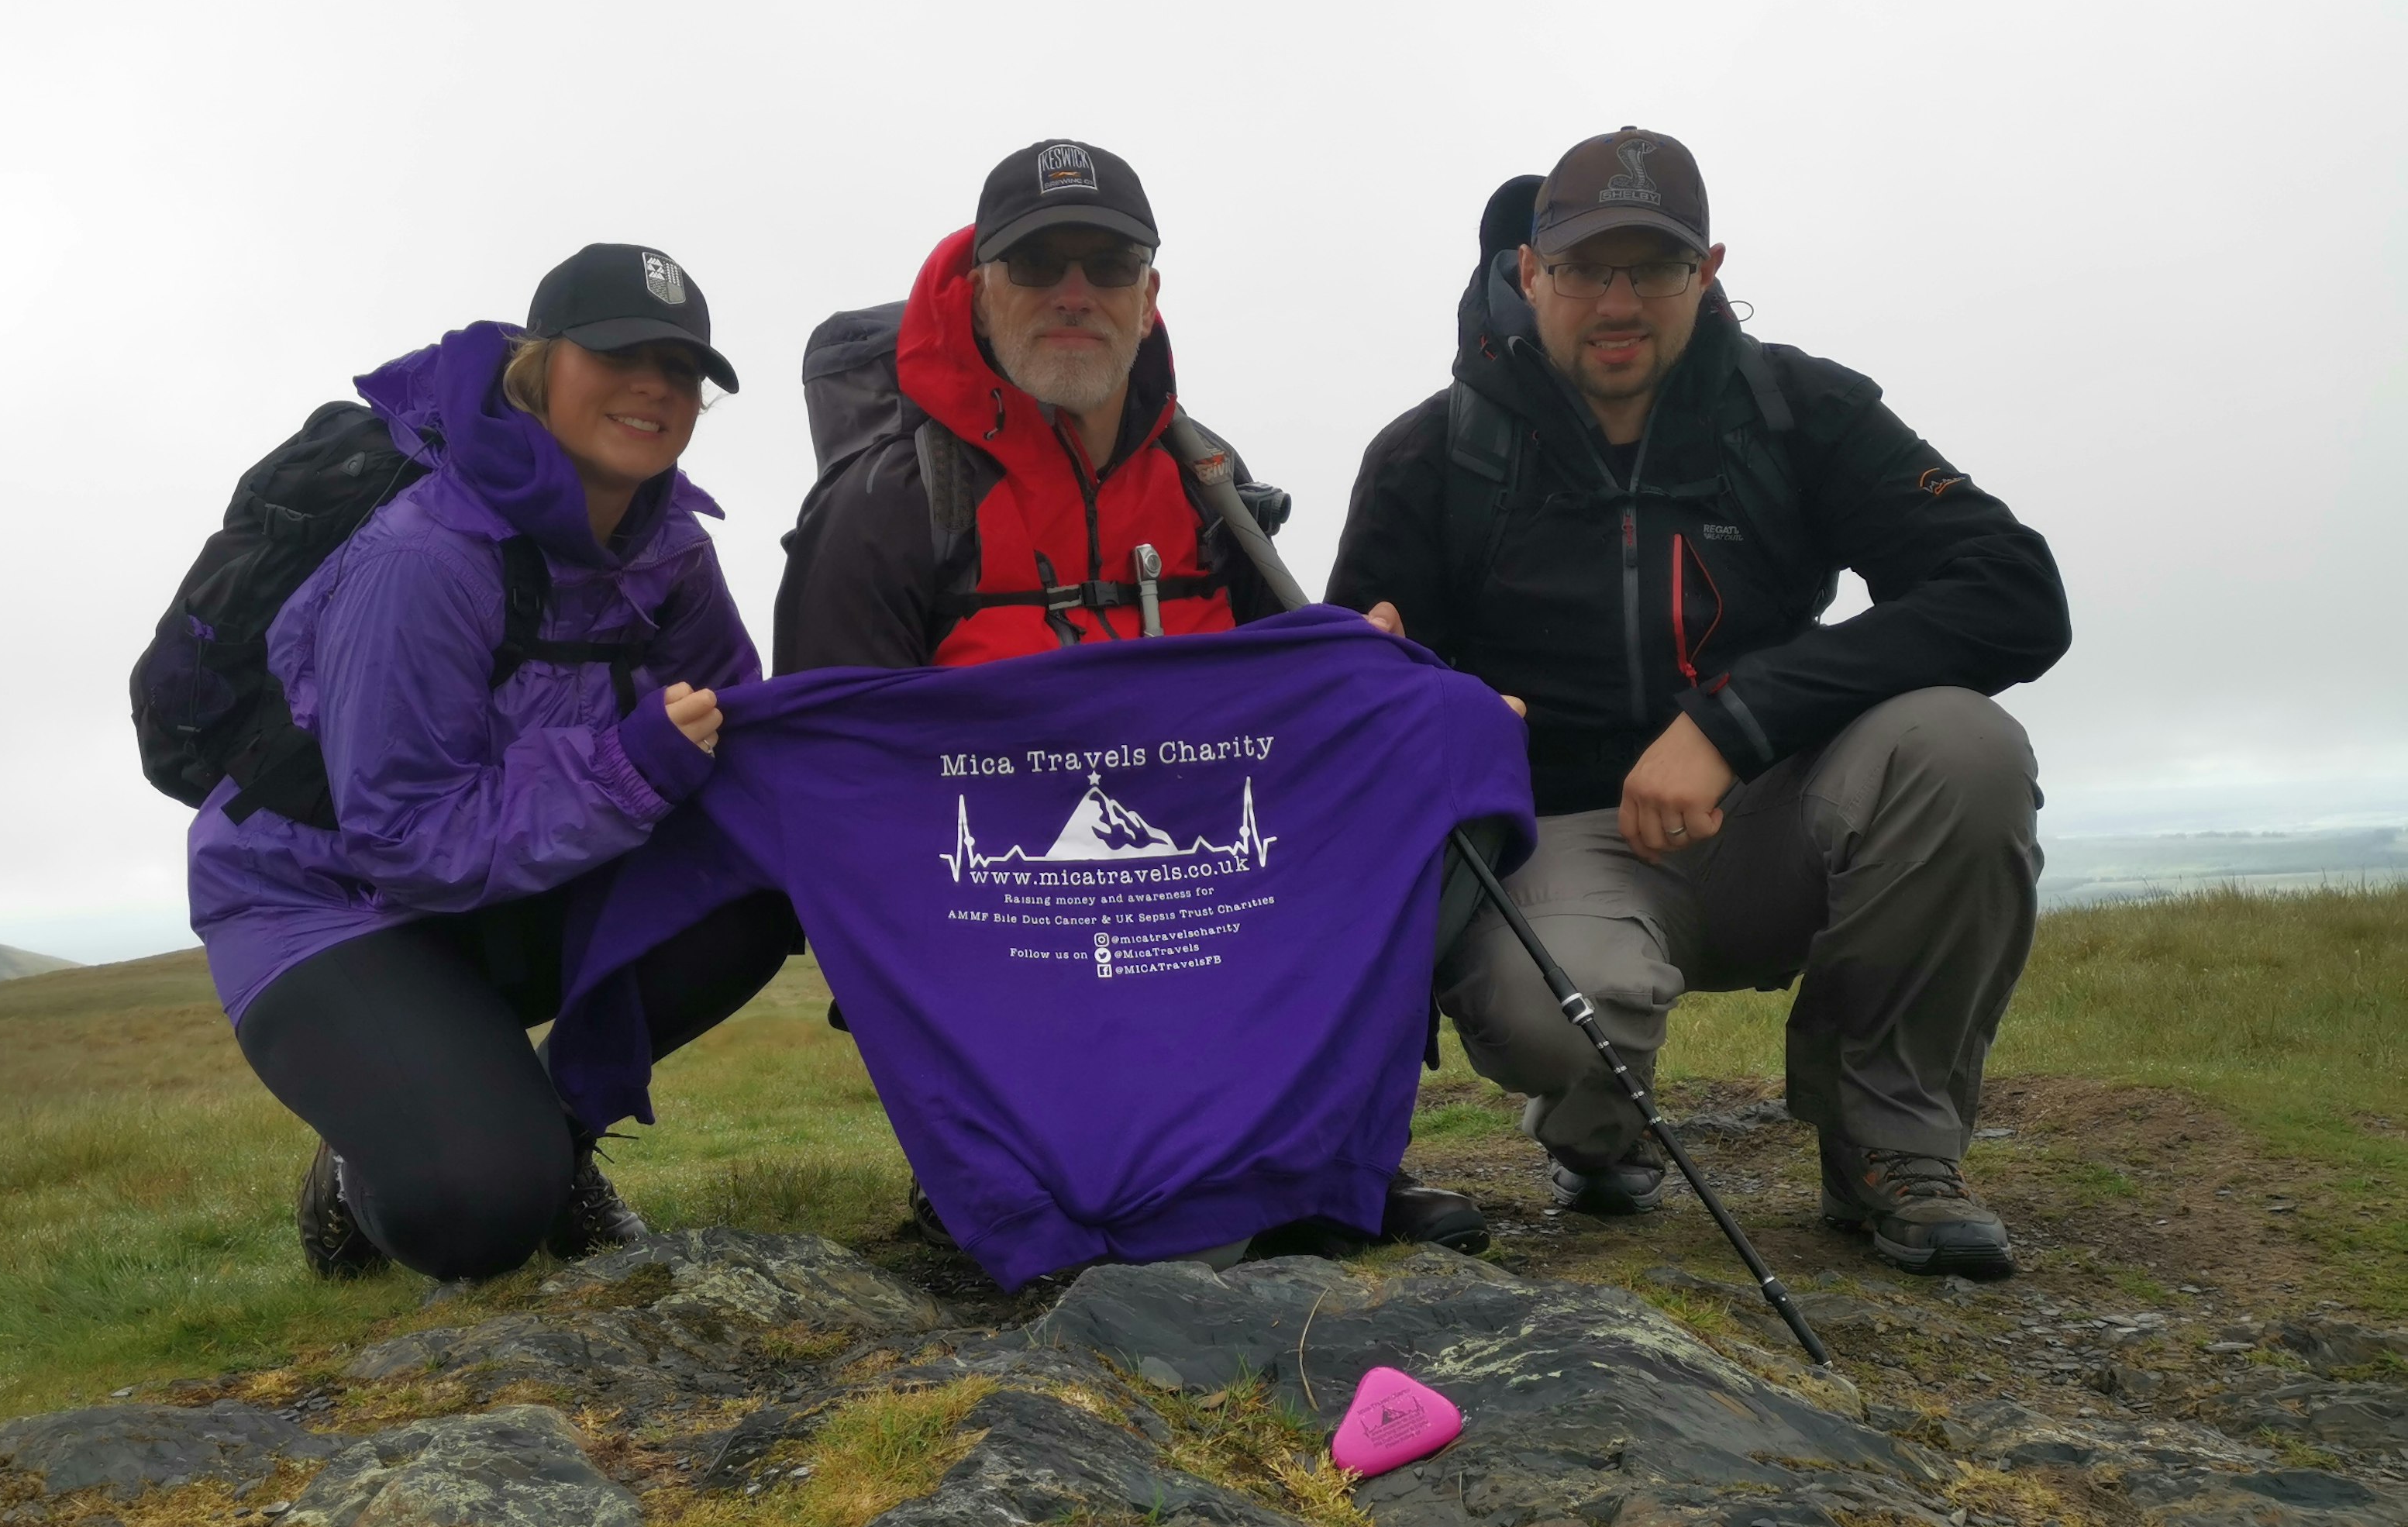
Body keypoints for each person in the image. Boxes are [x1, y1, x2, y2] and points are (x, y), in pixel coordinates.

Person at [1331, 129, 2071, 1280]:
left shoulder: (1801, 411)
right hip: (1564, 845)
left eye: (1654, 266)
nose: (1617, 300)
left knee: (1965, 751)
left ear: (1708, 271)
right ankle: (1596, 1133)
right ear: (1532, 273)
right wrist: (1446, 708)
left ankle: (1891, 1149)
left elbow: (2015, 592)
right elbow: (1362, 716)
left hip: (1779, 814)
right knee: (1551, 1012)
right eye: (1584, 267)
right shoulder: (1432, 456)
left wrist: (1735, 721)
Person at [774, 137, 1492, 1256]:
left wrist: (1362, 673)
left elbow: (1290, 705)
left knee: (1432, 739)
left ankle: (1324, 1152)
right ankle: (997, 1161)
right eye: (1037, 265)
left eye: (1106, 267)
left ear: (1149, 295)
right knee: (1093, 1198)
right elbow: (833, 783)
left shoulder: (1208, 482)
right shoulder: (886, 507)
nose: (1075, 295)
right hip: (1003, 922)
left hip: (1205, 888)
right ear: (979, 291)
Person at [188, 244, 797, 1283]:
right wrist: (628, 768)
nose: (654, 384)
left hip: (512, 885)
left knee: (761, 890)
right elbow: (404, 835)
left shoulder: (673, 552)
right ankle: (364, 1166)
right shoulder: (423, 556)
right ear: (539, 366)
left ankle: (554, 1139)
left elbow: (733, 728)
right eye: (619, 353)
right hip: (331, 906)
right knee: (476, 1216)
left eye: (681, 367)